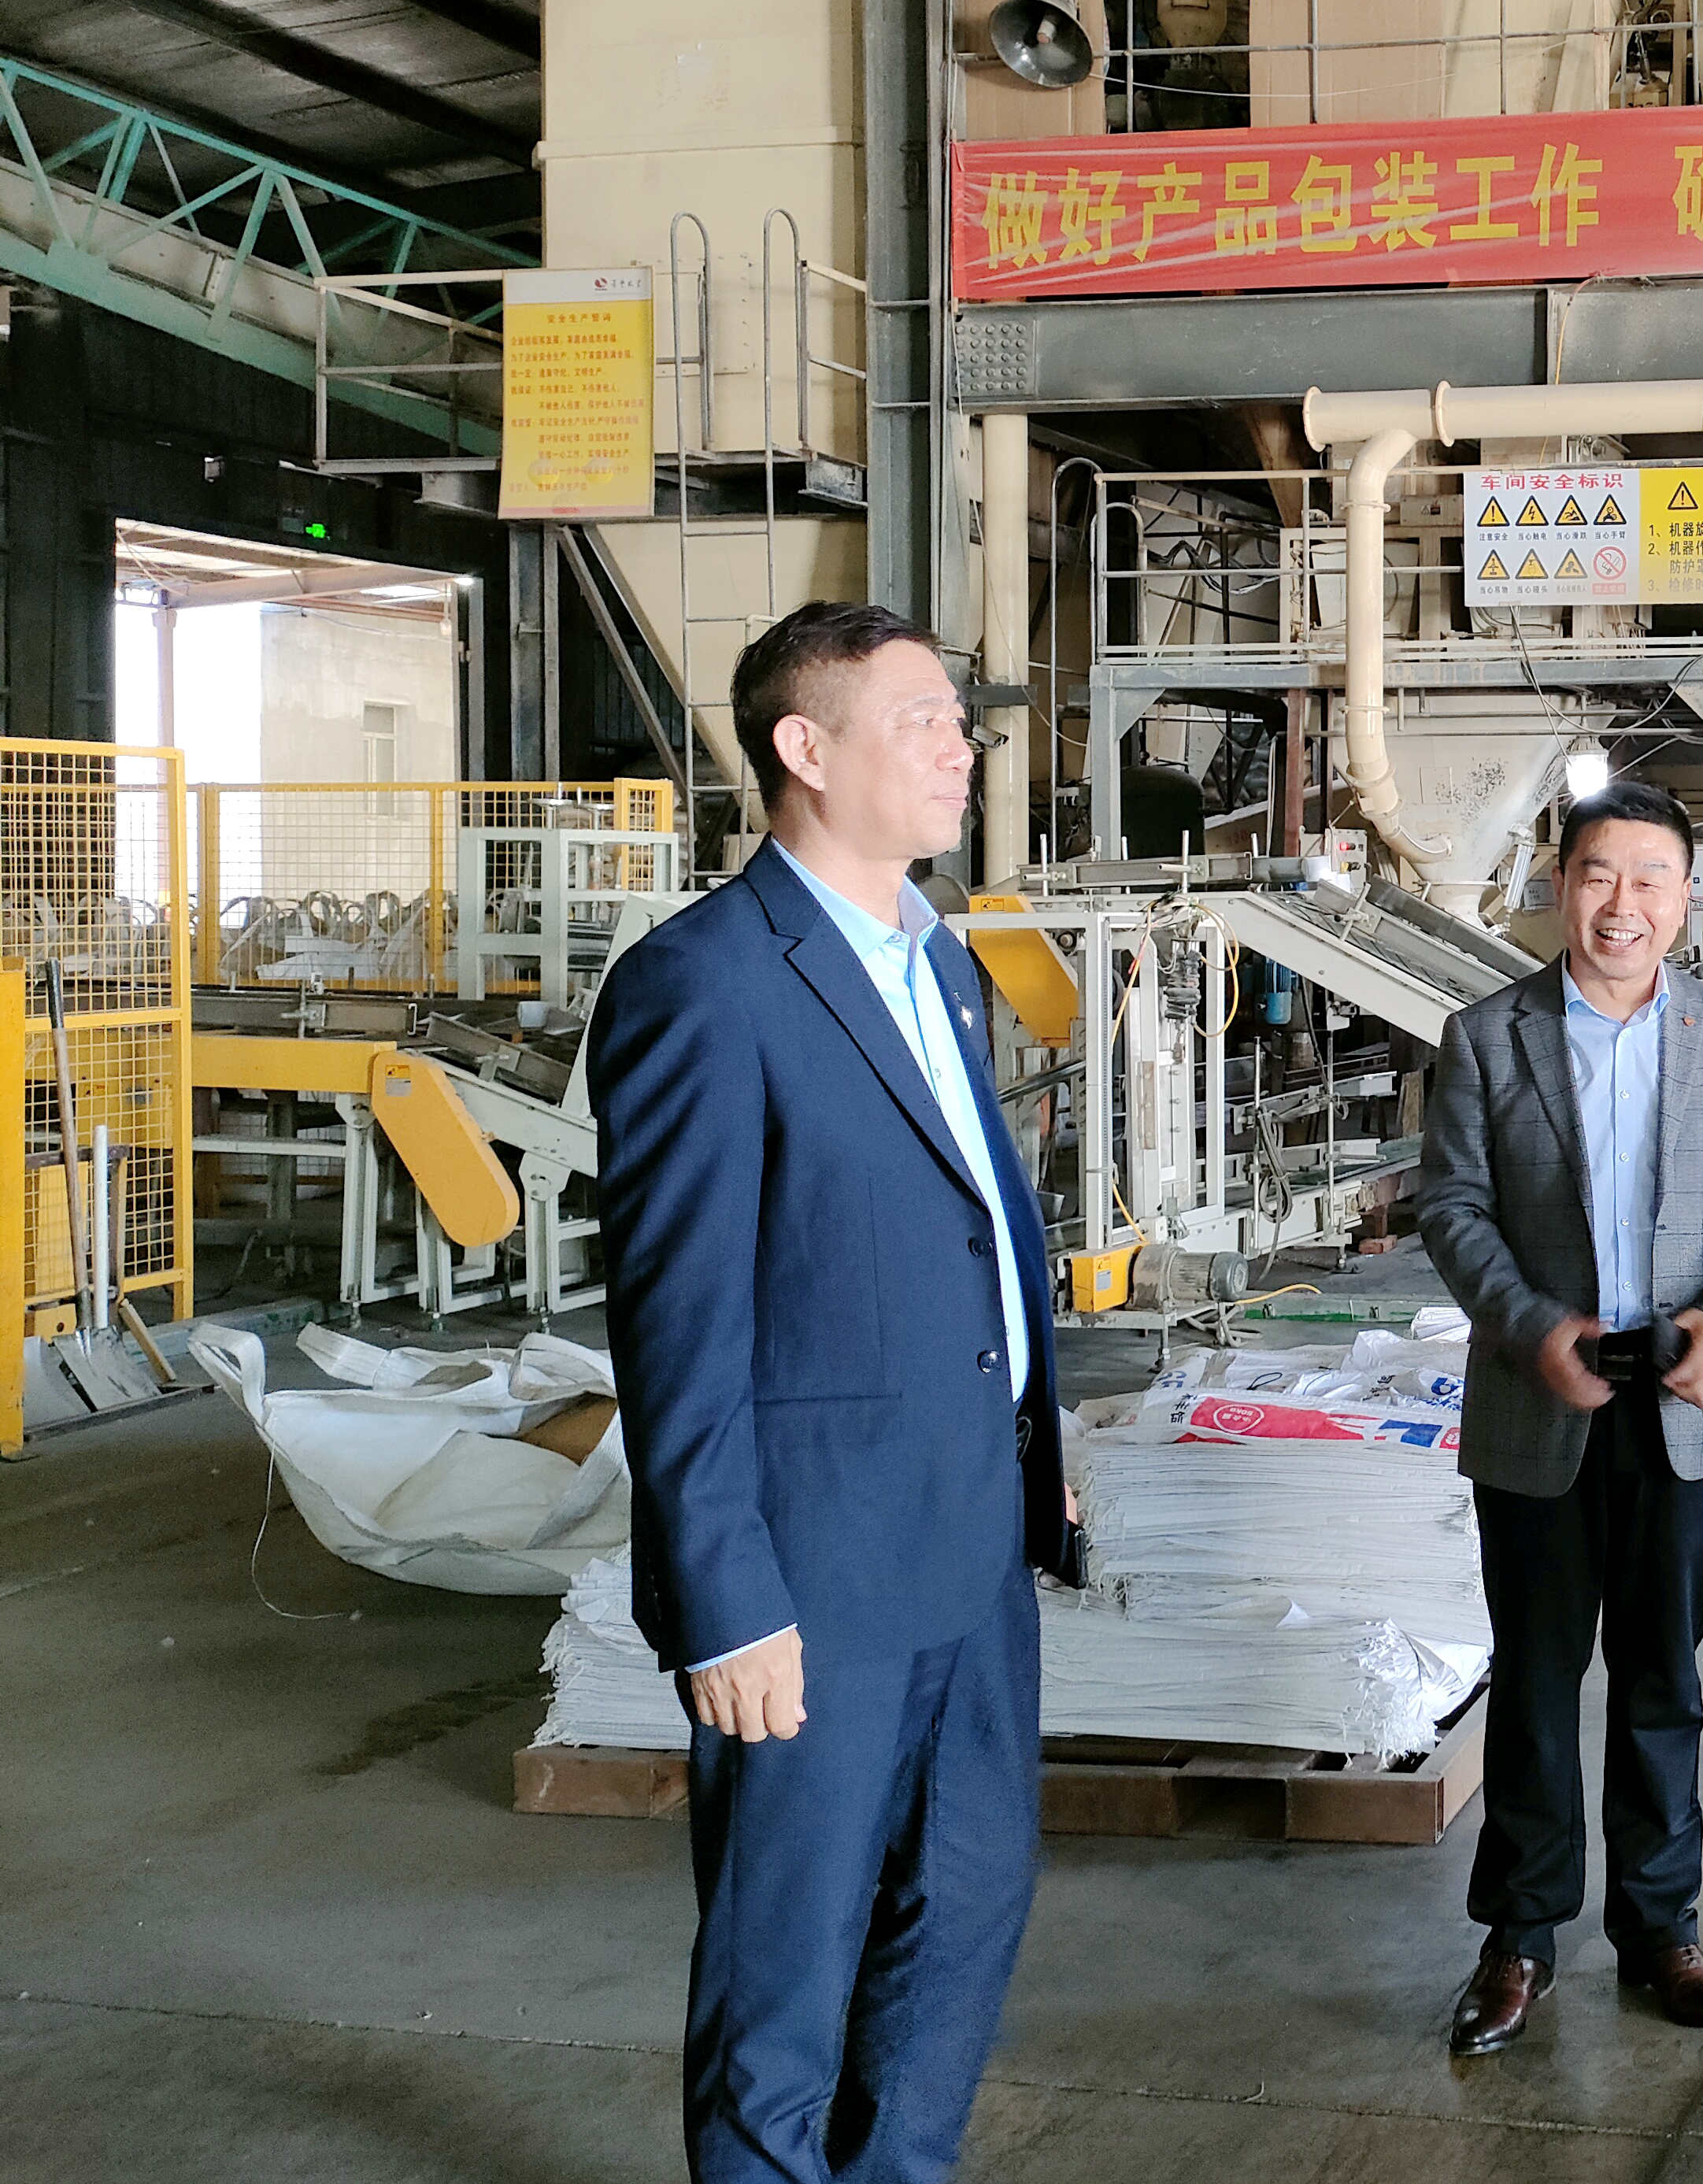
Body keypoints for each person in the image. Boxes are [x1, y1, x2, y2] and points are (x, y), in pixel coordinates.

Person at [590, 601, 1078, 2184]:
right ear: (805, 748)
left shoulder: (937, 964)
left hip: (968, 1545)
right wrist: (725, 1602)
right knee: (786, 1969)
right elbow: (679, 1326)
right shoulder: (706, 984)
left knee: (964, 1914)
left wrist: (1034, 1452)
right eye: (923, 720)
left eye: (958, 722)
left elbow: (965, 1235)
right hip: (813, 1580)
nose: (961, 749)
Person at [1413, 777, 1703, 2058]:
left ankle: (1660, 1929)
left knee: (1663, 1677)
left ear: (1687, 898)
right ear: (1561, 886)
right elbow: (1452, 1207)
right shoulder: (1488, 1035)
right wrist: (1532, 1327)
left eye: (1651, 877)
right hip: (1544, 1397)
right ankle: (1520, 1936)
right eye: (1599, 874)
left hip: (1682, 1401)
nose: (1623, 902)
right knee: (1536, 1678)